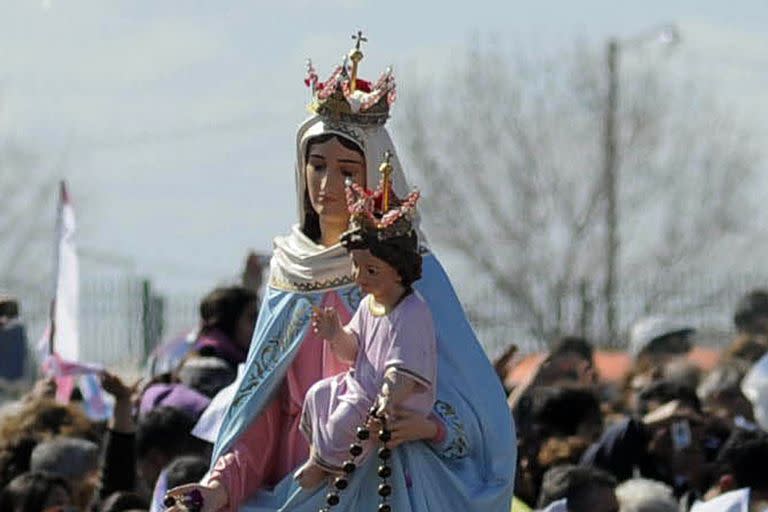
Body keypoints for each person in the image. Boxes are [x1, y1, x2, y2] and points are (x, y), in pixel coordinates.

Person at [165, 36, 514, 512]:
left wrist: (427, 425)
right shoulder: (289, 273)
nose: (328, 187)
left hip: (384, 484)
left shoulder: (412, 275)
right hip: (296, 484)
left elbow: (476, 414)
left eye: (347, 171)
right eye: (317, 165)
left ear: (374, 176)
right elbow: (264, 411)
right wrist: (220, 484)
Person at [294, 169, 435, 487]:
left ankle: (326, 464)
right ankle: (322, 457)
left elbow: (404, 370)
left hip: (385, 398)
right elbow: (352, 351)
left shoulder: (411, 311)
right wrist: (336, 334)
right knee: (318, 395)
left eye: (371, 270)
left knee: (344, 421)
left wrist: (387, 400)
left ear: (398, 271)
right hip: (358, 385)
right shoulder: (369, 305)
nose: (360, 277)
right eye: (356, 266)